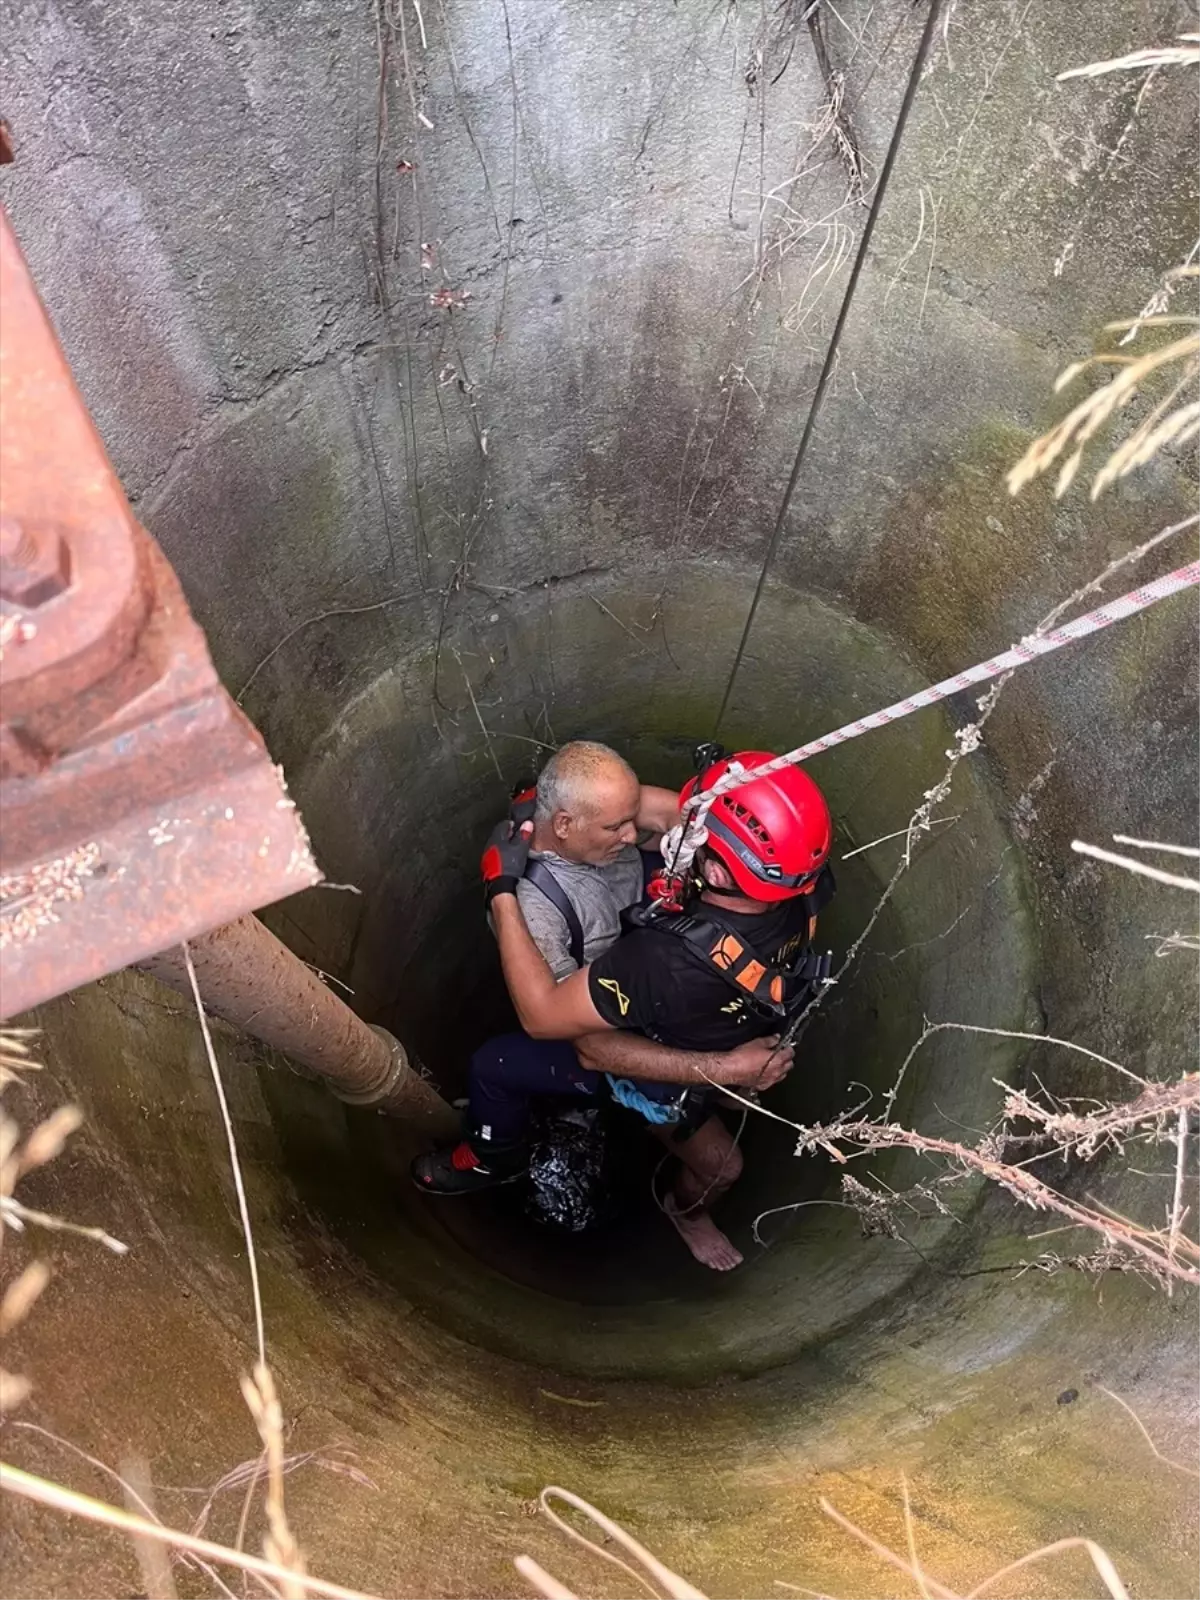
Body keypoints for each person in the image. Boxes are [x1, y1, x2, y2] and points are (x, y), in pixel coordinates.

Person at [414, 744, 834, 1271]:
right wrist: (504, 895)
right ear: (565, 823)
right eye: (618, 825)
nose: (638, 835)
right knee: (492, 1067)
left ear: (726, 871)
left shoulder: (667, 949)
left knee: (499, 1067)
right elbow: (577, 1038)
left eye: (630, 819)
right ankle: (495, 1158)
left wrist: (496, 885)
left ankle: (689, 1192)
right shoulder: (544, 911)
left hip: (672, 1008)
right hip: (614, 1014)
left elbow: (657, 818)